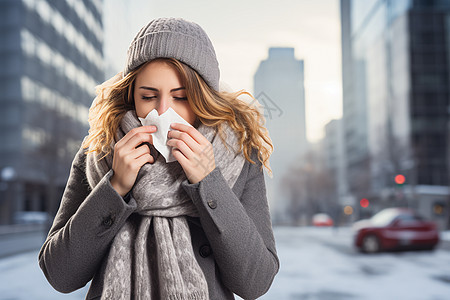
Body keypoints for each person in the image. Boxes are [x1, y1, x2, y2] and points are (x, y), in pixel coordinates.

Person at [38, 17, 279, 300]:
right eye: (149, 96)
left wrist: (209, 182)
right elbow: (60, 275)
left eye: (181, 97)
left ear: (204, 99)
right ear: (131, 96)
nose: (163, 111)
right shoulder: (99, 151)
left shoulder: (238, 154)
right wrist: (114, 187)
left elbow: (256, 282)